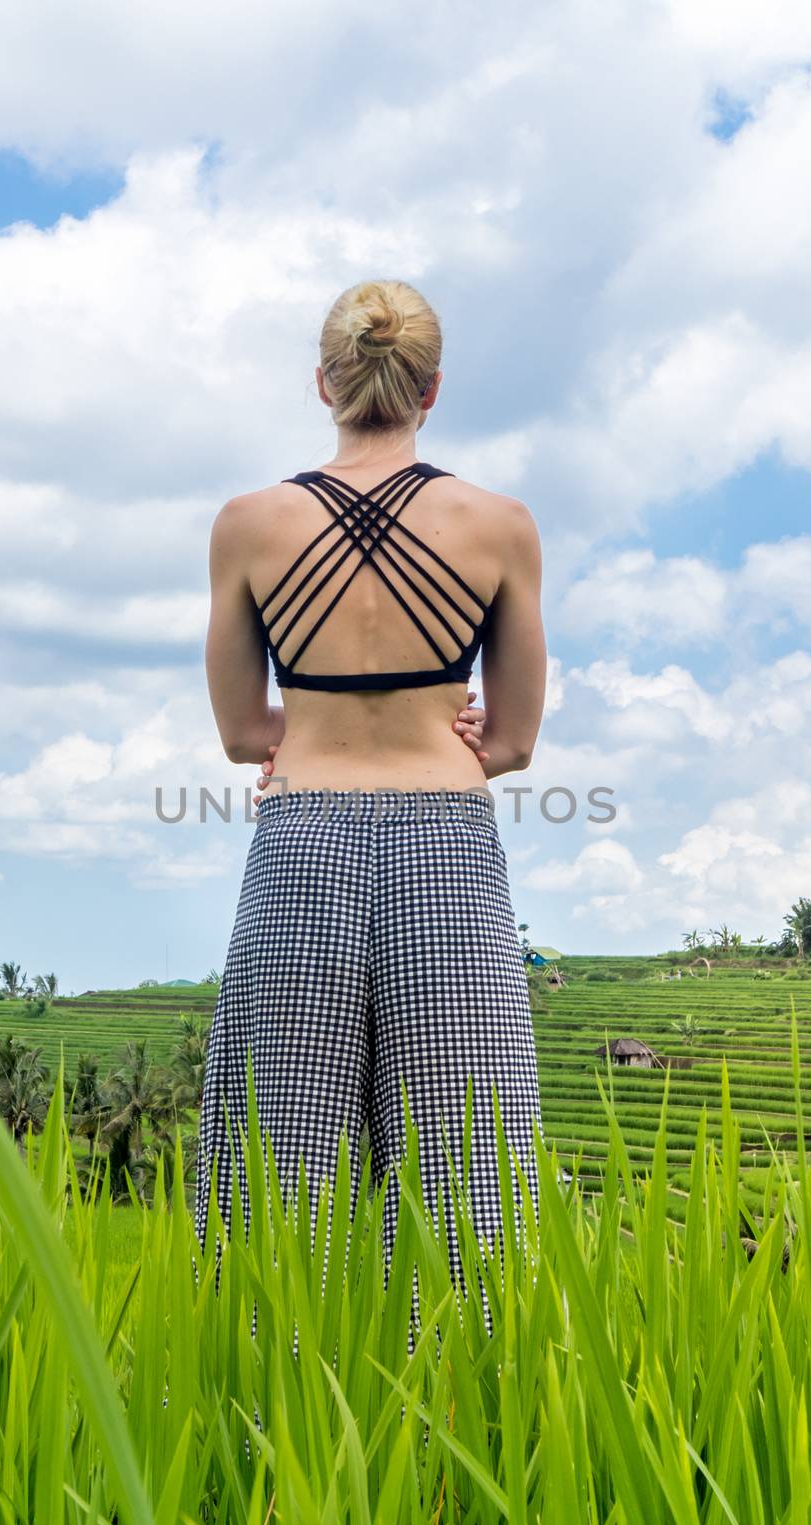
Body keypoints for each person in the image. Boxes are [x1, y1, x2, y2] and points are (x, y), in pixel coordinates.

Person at [197, 278, 547, 1309]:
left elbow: (237, 731)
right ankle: (463, 1429)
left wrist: (299, 731)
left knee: (274, 1175)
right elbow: (515, 739)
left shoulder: (248, 525)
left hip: (299, 837)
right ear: (430, 389)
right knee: (466, 1177)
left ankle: (262, 1424)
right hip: (446, 841)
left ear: (324, 382)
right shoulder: (499, 525)